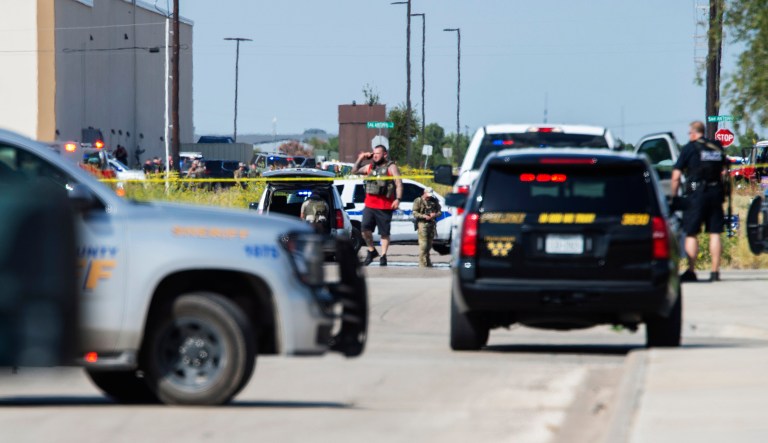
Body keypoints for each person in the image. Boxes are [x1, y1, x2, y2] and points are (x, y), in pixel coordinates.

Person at [671, 120, 728, 282]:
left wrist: (675, 197)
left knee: (691, 233)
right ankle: (715, 272)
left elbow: (675, 176)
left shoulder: (690, 148)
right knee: (715, 233)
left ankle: (691, 270)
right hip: (716, 192)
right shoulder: (716, 147)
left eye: (689, 133)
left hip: (696, 195)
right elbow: (725, 171)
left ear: (694, 133)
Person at [352, 145, 403, 266]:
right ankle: (371, 251)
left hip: (385, 206)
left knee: (384, 233)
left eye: (377, 153)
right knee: (364, 230)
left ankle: (383, 256)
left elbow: (399, 183)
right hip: (369, 205)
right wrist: (361, 158)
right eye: (373, 153)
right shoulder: (370, 167)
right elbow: (354, 171)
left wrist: (398, 199)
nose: (374, 155)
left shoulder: (391, 167)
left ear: (384, 154)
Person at [412, 187, 442, 267]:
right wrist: (423, 216)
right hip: (422, 224)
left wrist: (435, 214)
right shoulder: (418, 200)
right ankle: (422, 264)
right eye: (428, 195)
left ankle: (427, 262)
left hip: (431, 224)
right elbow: (414, 212)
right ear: (424, 192)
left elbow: (440, 212)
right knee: (423, 245)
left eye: (430, 195)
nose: (429, 197)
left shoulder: (434, 201)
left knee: (429, 245)